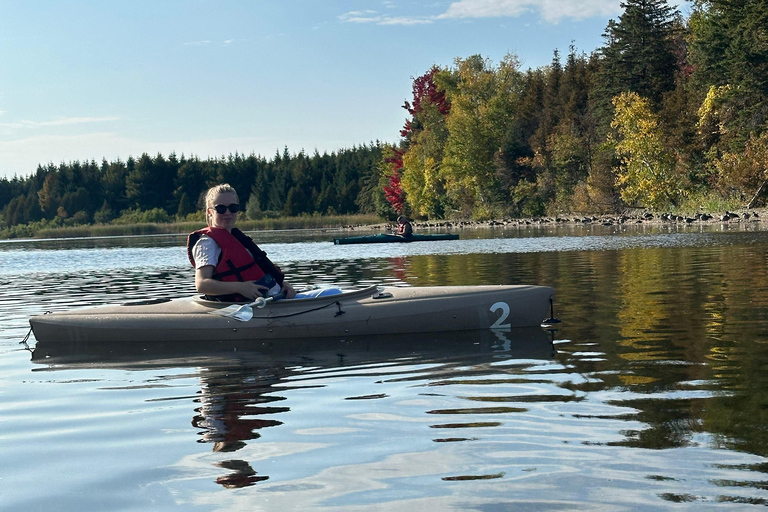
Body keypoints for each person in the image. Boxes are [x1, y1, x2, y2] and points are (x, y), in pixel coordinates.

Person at [187, 184, 296, 302]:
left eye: (233, 207)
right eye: (221, 209)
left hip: (269, 300)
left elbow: (260, 269)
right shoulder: (207, 243)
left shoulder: (237, 238)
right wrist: (241, 288)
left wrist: (283, 284)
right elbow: (202, 284)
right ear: (210, 212)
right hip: (235, 306)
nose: (227, 212)